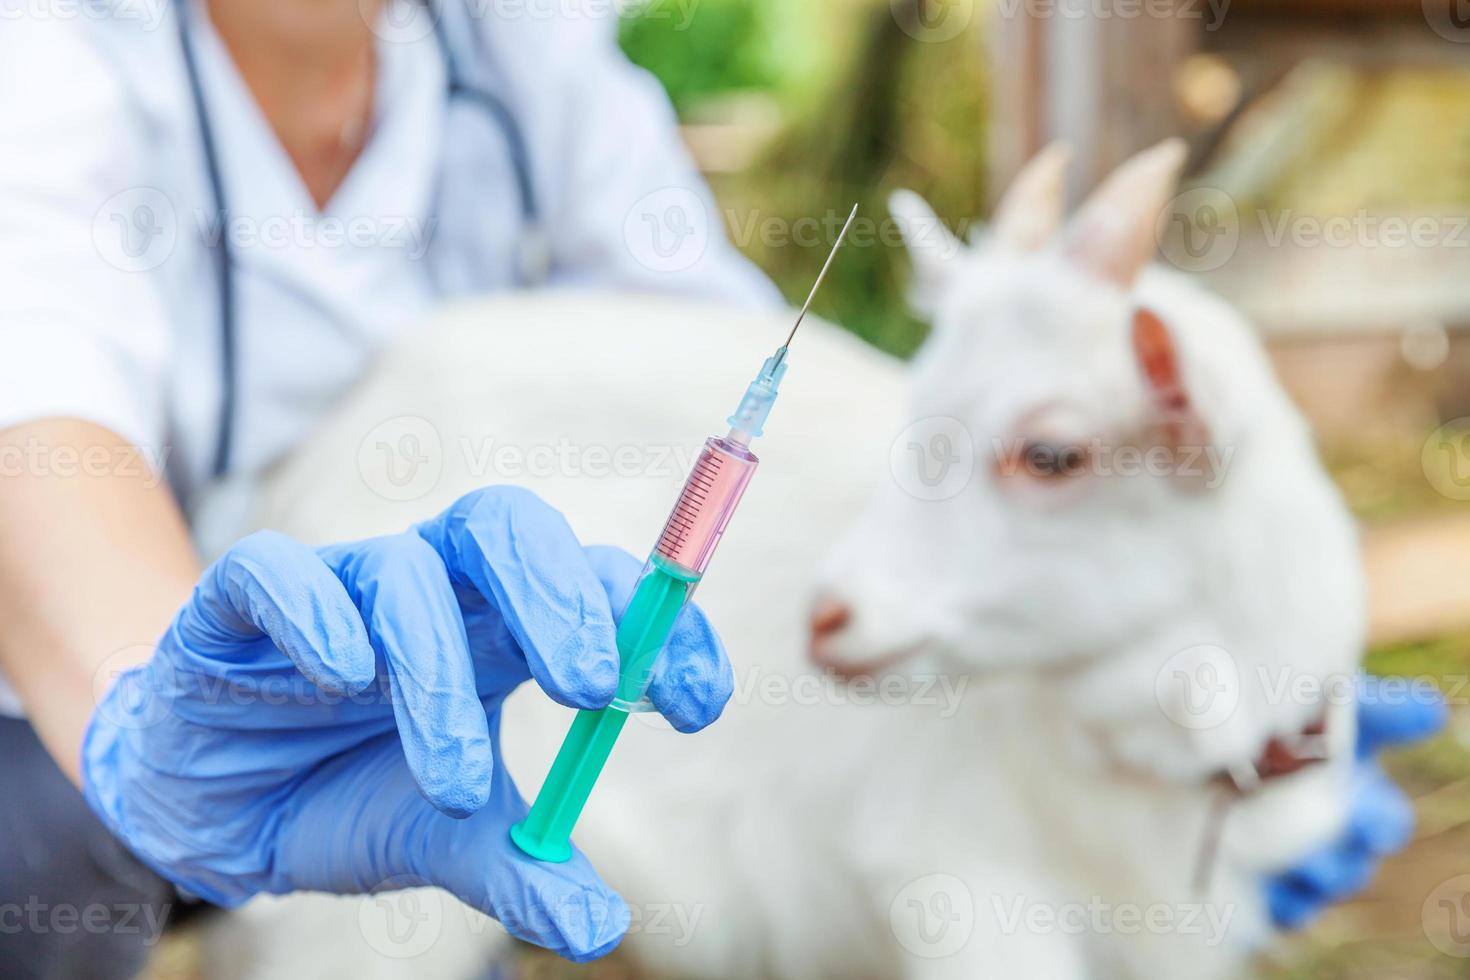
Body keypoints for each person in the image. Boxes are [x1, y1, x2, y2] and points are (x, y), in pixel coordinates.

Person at [0, 0, 1441, 976]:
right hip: (100, 647)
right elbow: (36, 408)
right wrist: (167, 718)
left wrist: (1239, 678)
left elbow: (701, 336)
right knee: (44, 851)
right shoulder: (53, 55)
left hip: (444, 672)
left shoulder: (513, 41)